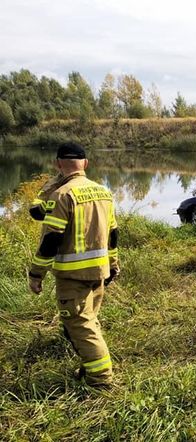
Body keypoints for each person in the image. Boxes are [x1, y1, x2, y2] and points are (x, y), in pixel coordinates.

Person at [28, 142, 120, 388]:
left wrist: (36, 274)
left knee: (80, 326)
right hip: (99, 272)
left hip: (73, 276)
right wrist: (114, 264)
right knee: (89, 321)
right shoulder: (104, 192)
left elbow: (52, 238)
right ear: (86, 164)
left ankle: (101, 381)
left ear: (58, 165)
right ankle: (89, 367)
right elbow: (113, 233)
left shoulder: (61, 195)